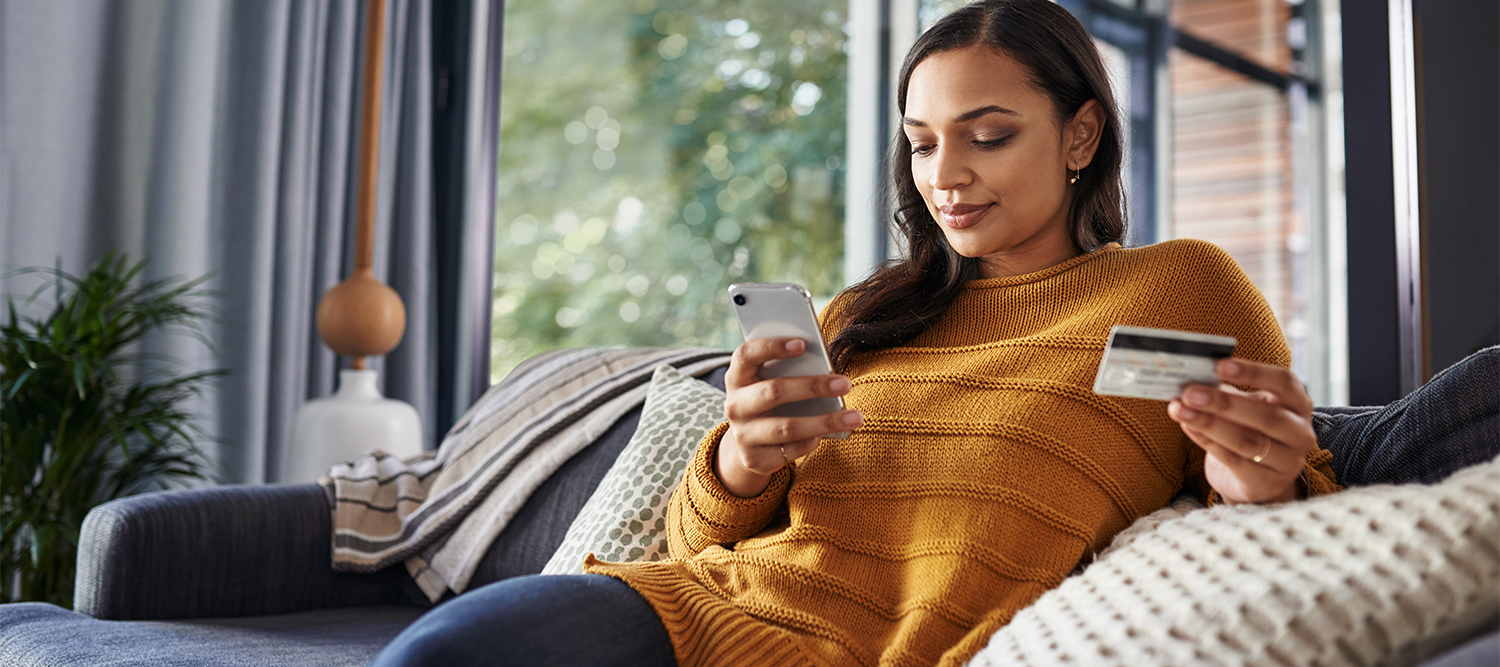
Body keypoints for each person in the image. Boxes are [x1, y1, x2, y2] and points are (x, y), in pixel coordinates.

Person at [372, 1, 1348, 665]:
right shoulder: (870, 312)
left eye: (989, 133)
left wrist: (1253, 484)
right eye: (922, 143)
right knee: (439, 653)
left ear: (1082, 136)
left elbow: (1285, 534)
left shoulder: (1181, 287)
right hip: (698, 610)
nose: (946, 174)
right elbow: (691, 539)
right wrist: (743, 459)